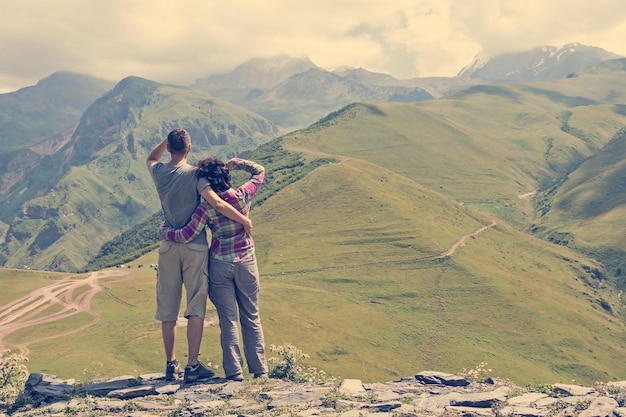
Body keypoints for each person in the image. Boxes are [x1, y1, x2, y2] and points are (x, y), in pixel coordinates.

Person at [146, 129, 253, 382]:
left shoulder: (159, 172)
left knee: (168, 307)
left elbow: (150, 158)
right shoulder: (196, 175)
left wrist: (167, 140)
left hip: (168, 246)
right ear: (189, 148)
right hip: (194, 246)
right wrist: (244, 220)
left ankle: (171, 364)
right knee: (195, 305)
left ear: (169, 148)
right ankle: (192, 366)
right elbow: (217, 204)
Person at [161, 156, 268, 381]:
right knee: (251, 316)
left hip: (220, 264)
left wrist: (165, 231)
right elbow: (259, 171)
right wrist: (235, 162)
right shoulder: (242, 195)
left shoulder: (205, 208)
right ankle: (260, 371)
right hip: (246, 261)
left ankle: (234, 373)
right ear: (226, 176)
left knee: (228, 319)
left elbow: (186, 235)